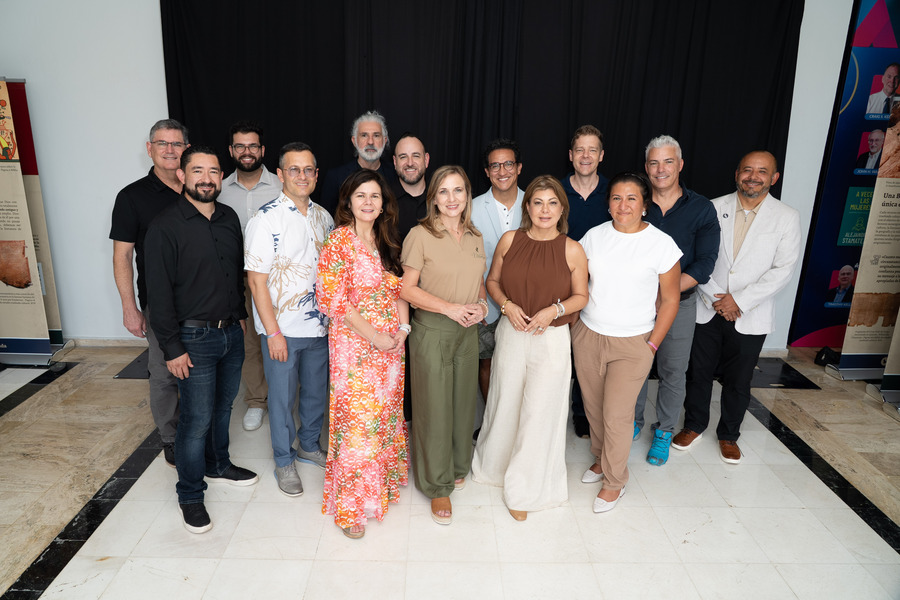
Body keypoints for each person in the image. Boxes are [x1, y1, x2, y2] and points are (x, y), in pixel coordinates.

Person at [145, 146, 259, 534]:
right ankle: (191, 494)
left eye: (213, 171)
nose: (206, 178)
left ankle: (218, 464)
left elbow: (234, 274)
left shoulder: (227, 218)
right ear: (182, 175)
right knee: (195, 421)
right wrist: (172, 348)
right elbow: (158, 295)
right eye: (197, 170)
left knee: (223, 407)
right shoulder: (165, 226)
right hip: (192, 338)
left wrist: (240, 317)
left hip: (230, 333)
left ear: (220, 176)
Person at [471, 175, 588, 521]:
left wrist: (555, 310)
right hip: (512, 331)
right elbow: (492, 281)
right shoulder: (511, 240)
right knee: (505, 401)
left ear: (562, 209)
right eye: (538, 202)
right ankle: (495, 468)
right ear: (528, 207)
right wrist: (506, 306)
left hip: (551, 338)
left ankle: (525, 488)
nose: (544, 210)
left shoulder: (572, 249)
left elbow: (581, 296)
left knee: (541, 410)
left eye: (552, 203)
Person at [675, 151, 802, 464]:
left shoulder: (786, 217)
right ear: (737, 174)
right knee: (698, 372)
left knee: (739, 379)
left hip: (751, 312)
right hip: (708, 306)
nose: (753, 177)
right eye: (747, 170)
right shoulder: (711, 207)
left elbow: (783, 270)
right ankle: (694, 425)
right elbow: (697, 258)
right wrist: (719, 299)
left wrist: (740, 301)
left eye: (762, 171)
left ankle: (729, 435)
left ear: (774, 178)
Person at [573, 172, 681, 513]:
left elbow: (671, 300)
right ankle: (601, 459)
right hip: (589, 335)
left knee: (617, 415)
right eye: (617, 198)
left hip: (634, 342)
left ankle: (614, 481)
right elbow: (578, 283)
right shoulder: (594, 237)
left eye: (632, 198)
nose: (624, 205)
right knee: (593, 408)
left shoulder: (661, 244)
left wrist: (652, 345)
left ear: (645, 205)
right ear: (608, 204)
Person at [316, 170, 410, 539]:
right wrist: (374, 337)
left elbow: (399, 290)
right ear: (349, 201)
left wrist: (402, 331)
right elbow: (332, 300)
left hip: (390, 349)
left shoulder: (387, 239)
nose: (368, 202)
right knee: (358, 424)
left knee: (383, 418)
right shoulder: (339, 241)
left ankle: (378, 489)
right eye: (361, 196)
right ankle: (351, 507)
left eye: (375, 196)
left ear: (383, 204)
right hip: (355, 349)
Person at [244, 142, 333, 497]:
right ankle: (284, 460)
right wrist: (273, 333)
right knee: (281, 400)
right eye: (294, 169)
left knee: (314, 394)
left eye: (308, 169)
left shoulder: (324, 218)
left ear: (316, 175)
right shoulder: (264, 219)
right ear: (280, 174)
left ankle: (309, 446)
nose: (302, 176)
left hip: (320, 327)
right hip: (282, 329)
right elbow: (256, 281)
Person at [400, 165, 487, 525]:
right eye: (444, 191)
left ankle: (457, 465)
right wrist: (449, 308)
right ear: (433, 198)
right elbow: (406, 289)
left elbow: (478, 283)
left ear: (467, 195)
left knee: (463, 404)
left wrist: (482, 306)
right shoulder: (420, 235)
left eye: (458, 190)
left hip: (467, 331)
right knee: (434, 409)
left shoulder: (475, 235)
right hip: (433, 330)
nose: (452, 198)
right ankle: (437, 485)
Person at [632, 136, 720, 466]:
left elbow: (705, 263)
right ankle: (632, 422)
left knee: (672, 370)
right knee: (635, 365)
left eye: (668, 161)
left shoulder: (701, 208)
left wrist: (666, 295)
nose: (661, 169)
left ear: (680, 165)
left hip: (680, 303)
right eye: (654, 162)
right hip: (636, 304)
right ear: (646, 167)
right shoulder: (635, 202)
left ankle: (664, 431)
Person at [110, 119, 188, 467]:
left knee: (202, 370)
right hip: (160, 303)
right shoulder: (132, 197)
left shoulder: (200, 187)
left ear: (186, 148)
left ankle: (200, 430)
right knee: (164, 371)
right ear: (149, 149)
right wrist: (130, 307)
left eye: (177, 144)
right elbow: (122, 255)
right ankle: (171, 437)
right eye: (162, 144)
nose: (170, 150)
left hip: (204, 302)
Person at [218, 120, 283, 432]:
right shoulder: (219, 189)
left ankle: (284, 398)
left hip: (279, 279)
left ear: (262, 150)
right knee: (250, 342)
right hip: (238, 279)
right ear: (231, 151)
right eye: (240, 146)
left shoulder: (281, 186)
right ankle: (257, 401)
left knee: (282, 337)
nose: (247, 151)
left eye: (253, 146)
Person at [561, 125, 611, 438]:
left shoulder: (612, 193)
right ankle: (552, 414)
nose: (586, 156)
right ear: (571, 155)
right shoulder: (556, 191)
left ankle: (582, 413)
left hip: (600, 288)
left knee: (588, 356)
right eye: (580, 149)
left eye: (592, 150)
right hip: (559, 286)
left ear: (601, 156)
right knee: (558, 353)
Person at [470, 139, 524, 417]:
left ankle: (517, 424)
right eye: (495, 166)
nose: (502, 171)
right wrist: (477, 300)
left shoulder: (536, 203)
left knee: (521, 366)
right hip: (486, 303)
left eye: (508, 164)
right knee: (487, 363)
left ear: (519, 167)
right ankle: (492, 423)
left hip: (526, 304)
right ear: (487, 171)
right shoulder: (471, 208)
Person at [320, 110, 397, 214]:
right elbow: (326, 219)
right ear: (354, 141)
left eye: (376, 135)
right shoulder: (335, 177)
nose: (370, 141)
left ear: (385, 140)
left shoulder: (395, 174)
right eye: (364, 135)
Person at [392, 132, 430, 241]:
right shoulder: (383, 201)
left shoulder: (441, 198)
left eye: (416, 156)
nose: (410, 163)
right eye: (403, 157)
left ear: (426, 160)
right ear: (395, 162)